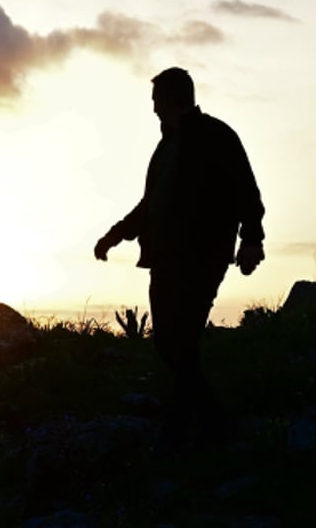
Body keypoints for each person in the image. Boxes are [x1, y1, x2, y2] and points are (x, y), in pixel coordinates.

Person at [94, 67, 265, 452]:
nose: (153, 109)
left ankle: (197, 428)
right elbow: (150, 204)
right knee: (169, 344)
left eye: (156, 100)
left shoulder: (216, 136)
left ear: (171, 97)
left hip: (202, 257)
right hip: (164, 259)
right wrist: (116, 234)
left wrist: (252, 239)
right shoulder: (166, 146)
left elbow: (245, 190)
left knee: (181, 341)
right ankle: (201, 422)